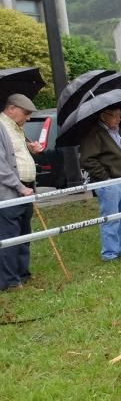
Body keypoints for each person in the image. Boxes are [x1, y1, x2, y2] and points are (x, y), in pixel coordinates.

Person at [80, 106, 121, 261]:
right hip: (109, 182)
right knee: (110, 219)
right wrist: (105, 177)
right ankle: (110, 254)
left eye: (120, 115)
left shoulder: (119, 132)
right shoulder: (94, 134)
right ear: (103, 116)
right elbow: (87, 160)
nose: (119, 119)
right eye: (115, 116)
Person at [0, 94, 40, 289]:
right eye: (26, 113)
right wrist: (19, 186)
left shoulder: (17, 128)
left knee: (25, 233)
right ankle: (9, 281)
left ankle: (22, 273)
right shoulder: (1, 127)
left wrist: (31, 149)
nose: (29, 118)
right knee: (10, 235)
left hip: (26, 188)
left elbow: (16, 155)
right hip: (10, 191)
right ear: (11, 109)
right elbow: (1, 165)